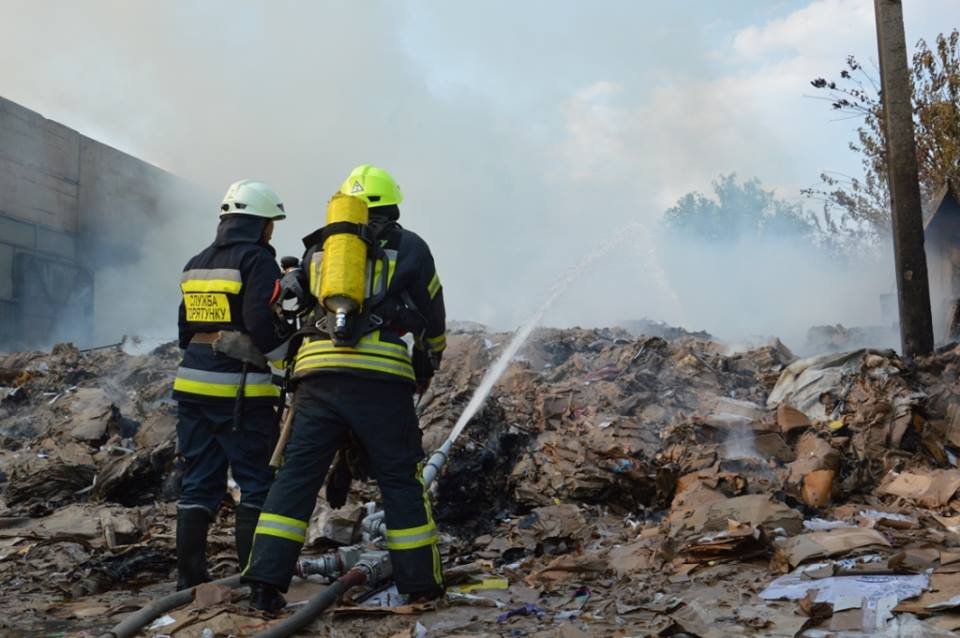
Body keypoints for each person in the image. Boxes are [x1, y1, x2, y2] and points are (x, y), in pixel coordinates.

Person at [242, 165, 447, 612]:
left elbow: (290, 305)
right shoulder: (411, 247)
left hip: (317, 378)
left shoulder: (321, 246)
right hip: (382, 382)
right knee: (401, 479)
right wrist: (430, 359)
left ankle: (263, 584)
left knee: (295, 480)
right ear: (392, 205)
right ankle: (421, 585)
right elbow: (432, 313)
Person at [173, 180, 290, 589]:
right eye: (270, 223)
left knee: (198, 482)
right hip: (239, 394)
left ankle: (189, 579)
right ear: (259, 225)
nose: (272, 231)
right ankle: (254, 577)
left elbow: (185, 329)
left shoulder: (195, 262)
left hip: (192, 386)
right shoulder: (258, 261)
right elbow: (261, 323)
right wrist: (287, 353)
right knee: (255, 481)